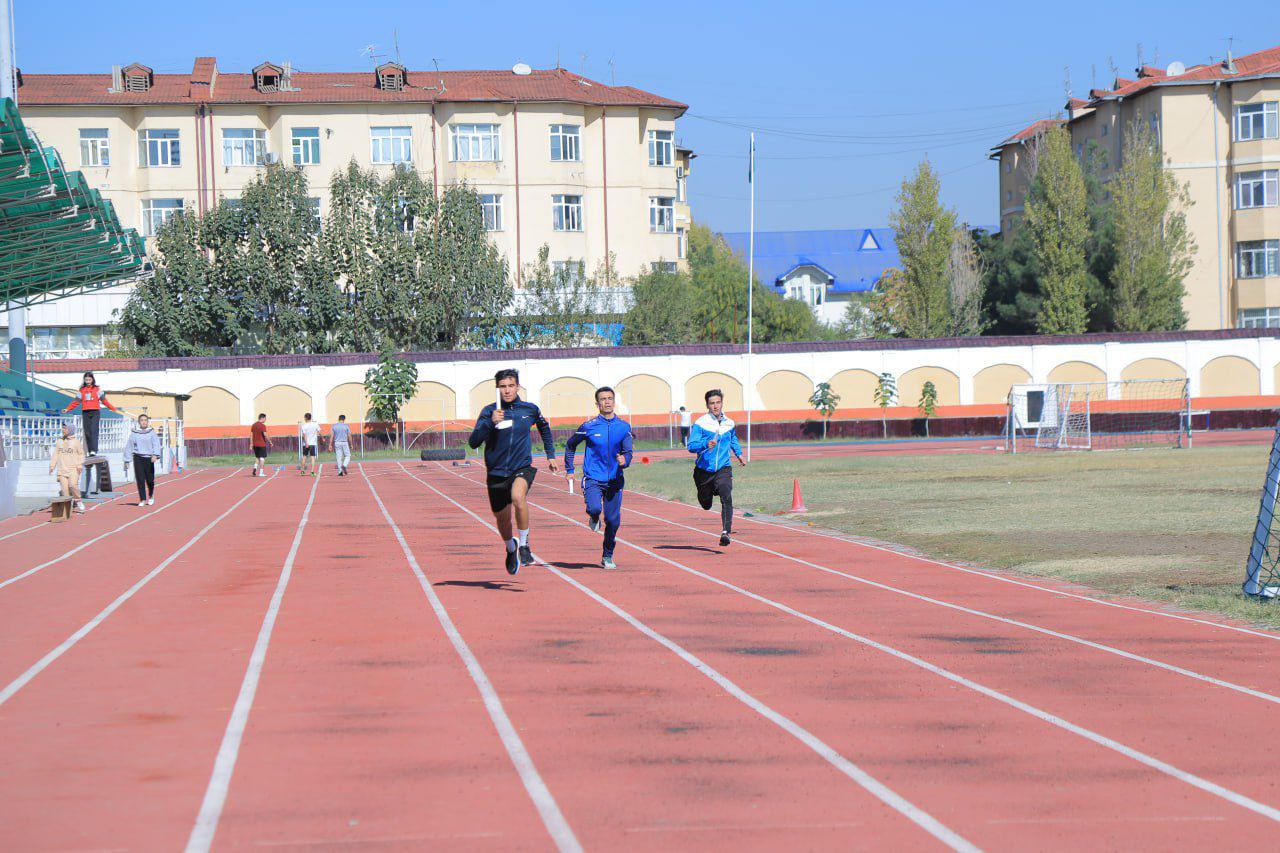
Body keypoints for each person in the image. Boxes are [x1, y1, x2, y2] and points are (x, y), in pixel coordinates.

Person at [468, 368, 559, 575]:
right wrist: (490, 423)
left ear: (518, 386)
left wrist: (550, 454)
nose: (507, 390)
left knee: (518, 497)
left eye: (511, 386)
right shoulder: (488, 411)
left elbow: (544, 428)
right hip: (496, 472)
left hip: (521, 466)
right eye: (502, 387)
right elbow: (473, 442)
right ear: (497, 388)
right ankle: (511, 548)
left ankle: (525, 545)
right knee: (502, 519)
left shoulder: (529, 409)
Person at [564, 387, 634, 570]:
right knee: (594, 507)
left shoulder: (624, 427)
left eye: (610, 398)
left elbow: (628, 452)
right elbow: (571, 446)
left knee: (613, 520)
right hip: (593, 477)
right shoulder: (589, 426)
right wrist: (570, 468)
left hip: (615, 480)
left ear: (614, 401)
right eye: (603, 399)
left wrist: (624, 461)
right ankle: (594, 516)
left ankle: (607, 554)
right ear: (598, 404)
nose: (607, 402)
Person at [687, 388, 746, 547]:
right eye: (712, 403)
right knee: (706, 505)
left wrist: (739, 454)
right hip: (704, 471)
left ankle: (726, 532)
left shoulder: (729, 423)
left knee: (726, 495)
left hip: (723, 468)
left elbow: (733, 439)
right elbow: (691, 446)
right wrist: (705, 444)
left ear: (722, 403)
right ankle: (704, 495)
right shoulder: (700, 423)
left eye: (718, 402)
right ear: (707, 405)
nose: (715, 406)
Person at [64, 370, 119, 493]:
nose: (88, 381)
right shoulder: (81, 391)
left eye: (89, 379)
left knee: (94, 430)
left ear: (93, 380)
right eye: (86, 380)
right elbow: (76, 402)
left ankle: (94, 450)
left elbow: (105, 401)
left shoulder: (98, 390)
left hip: (95, 412)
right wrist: (67, 409)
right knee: (87, 432)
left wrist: (113, 408)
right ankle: (89, 450)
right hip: (85, 412)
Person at [124, 414, 163, 506]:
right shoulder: (134, 433)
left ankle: (151, 495)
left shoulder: (151, 432)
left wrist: (155, 455)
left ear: (148, 422)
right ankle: (142, 499)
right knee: (140, 479)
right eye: (142, 420)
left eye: (145, 420)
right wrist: (127, 460)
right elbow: (129, 446)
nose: (144, 422)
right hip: (138, 457)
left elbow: (156, 444)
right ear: (139, 422)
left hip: (149, 458)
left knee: (150, 480)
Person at [48, 422, 86, 514]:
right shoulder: (59, 441)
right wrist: (52, 466)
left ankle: (78, 499)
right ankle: (69, 506)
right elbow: (55, 454)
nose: (63, 430)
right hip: (62, 470)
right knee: (65, 490)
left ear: (70, 430)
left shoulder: (76, 442)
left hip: (73, 469)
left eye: (65, 428)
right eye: (63, 428)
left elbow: (81, 454)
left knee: (73, 485)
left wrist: (80, 464)